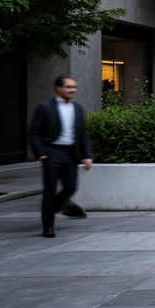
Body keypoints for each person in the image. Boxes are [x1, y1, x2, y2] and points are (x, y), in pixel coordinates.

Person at [28, 75, 93, 238]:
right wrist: (40, 152)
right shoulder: (45, 108)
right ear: (59, 88)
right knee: (49, 191)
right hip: (51, 153)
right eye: (69, 87)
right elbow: (33, 132)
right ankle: (48, 226)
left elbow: (82, 134)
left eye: (74, 87)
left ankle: (55, 207)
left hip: (70, 154)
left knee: (71, 187)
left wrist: (87, 156)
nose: (72, 90)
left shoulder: (77, 109)